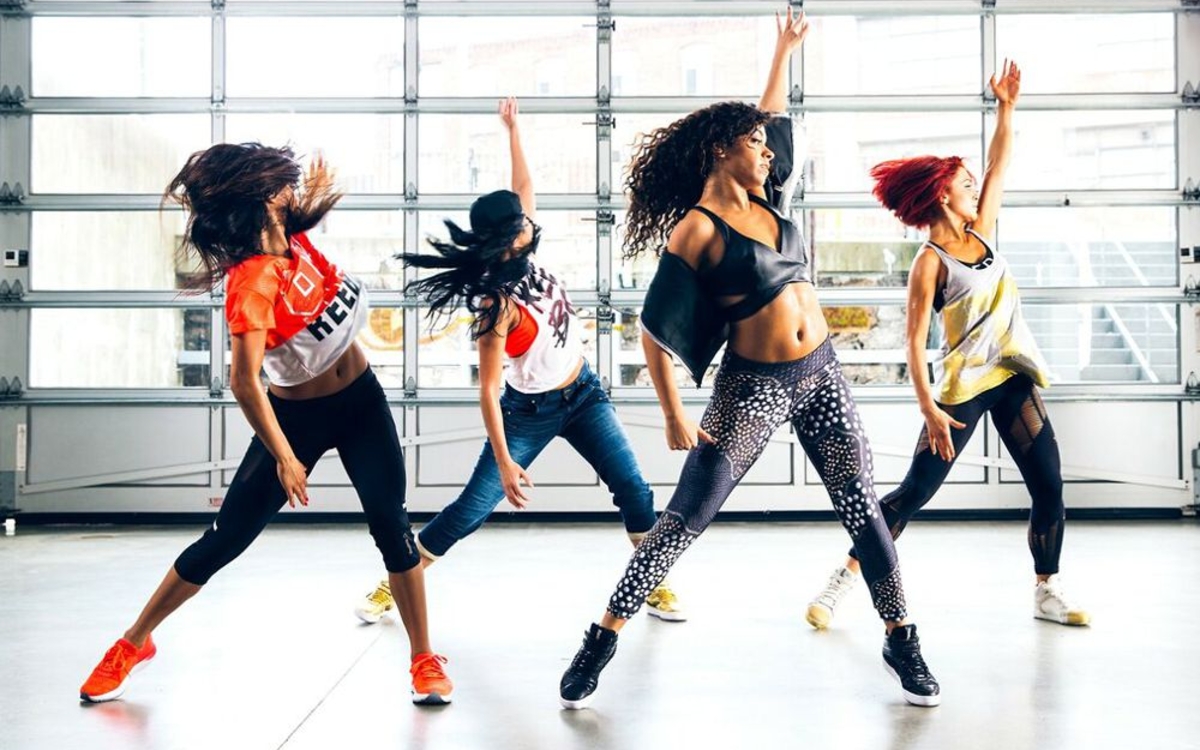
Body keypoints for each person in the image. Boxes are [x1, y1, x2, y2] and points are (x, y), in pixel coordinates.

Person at [558, 9, 940, 710]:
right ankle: (600, 639)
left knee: (863, 506)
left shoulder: (771, 195)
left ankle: (901, 637)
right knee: (687, 516)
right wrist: (673, 413)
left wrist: (782, 51)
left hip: (821, 372)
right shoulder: (696, 230)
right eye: (754, 144)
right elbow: (653, 330)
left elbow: (772, 117)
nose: (767, 152)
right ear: (720, 150)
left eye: (766, 145)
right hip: (754, 388)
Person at [78, 144, 453, 705]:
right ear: (257, 200)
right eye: (280, 185)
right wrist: (284, 454)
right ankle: (133, 643)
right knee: (227, 537)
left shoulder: (295, 239)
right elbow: (244, 382)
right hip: (297, 419)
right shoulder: (252, 281)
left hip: (362, 401)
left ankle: (423, 658)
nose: (289, 190)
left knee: (391, 526)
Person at [353, 97, 685, 625]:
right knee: (471, 508)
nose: (531, 220)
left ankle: (649, 581)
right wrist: (507, 461)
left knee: (632, 487)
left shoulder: (527, 252)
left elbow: (523, 186)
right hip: (528, 413)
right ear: (509, 238)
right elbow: (487, 391)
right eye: (522, 222)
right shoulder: (496, 304)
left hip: (584, 394)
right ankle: (393, 584)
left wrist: (513, 129)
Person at [805, 60, 1089, 631]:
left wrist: (1006, 108)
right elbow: (913, 343)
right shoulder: (929, 263)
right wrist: (929, 409)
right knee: (915, 491)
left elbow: (999, 165)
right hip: (963, 390)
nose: (974, 189)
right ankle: (844, 577)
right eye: (964, 185)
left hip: (1011, 378)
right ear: (941, 195)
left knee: (1049, 484)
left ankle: (1047, 588)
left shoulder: (982, 230)